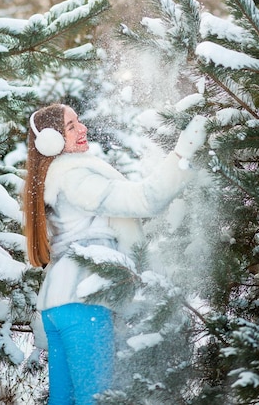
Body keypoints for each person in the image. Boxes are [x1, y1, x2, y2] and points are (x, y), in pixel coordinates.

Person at [23, 103, 206, 405]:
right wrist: (181, 155)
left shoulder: (54, 177)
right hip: (83, 301)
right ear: (52, 140)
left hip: (57, 306)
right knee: (96, 400)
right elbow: (144, 200)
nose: (82, 128)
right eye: (71, 126)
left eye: (78, 121)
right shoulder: (73, 177)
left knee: (64, 400)